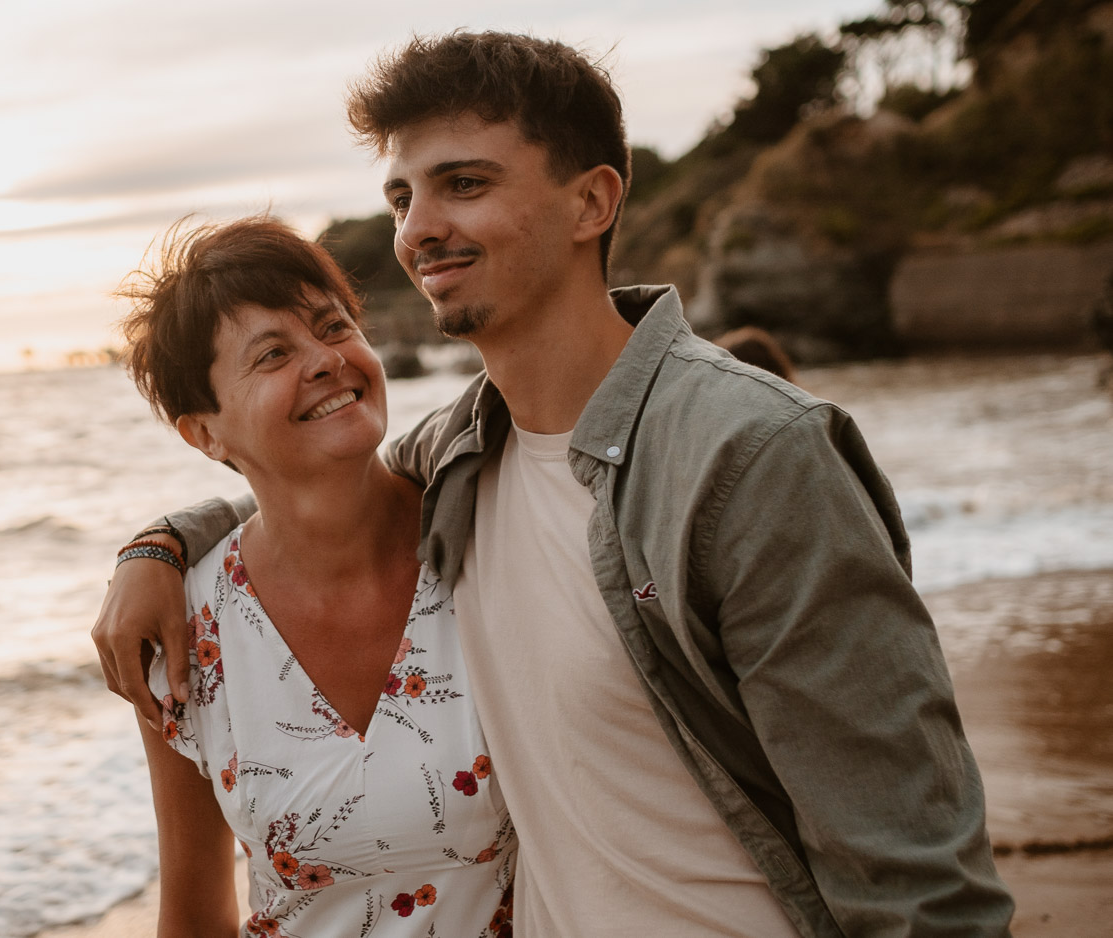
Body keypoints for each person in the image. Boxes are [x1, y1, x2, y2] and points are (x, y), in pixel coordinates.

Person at [98, 32, 1013, 936]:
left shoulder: (750, 458)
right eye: (402, 196)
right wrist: (157, 549)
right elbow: (315, 501)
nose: (418, 228)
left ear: (592, 203)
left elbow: (917, 875)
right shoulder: (463, 458)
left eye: (466, 183)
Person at [115, 216, 515, 937]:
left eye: (334, 327)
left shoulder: (488, 537)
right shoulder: (186, 630)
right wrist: (154, 549)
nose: (326, 359)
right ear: (205, 432)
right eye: (272, 354)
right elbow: (196, 909)